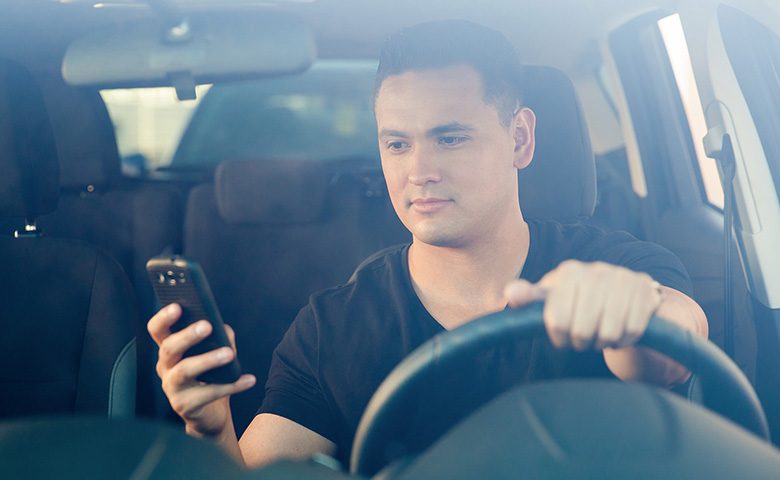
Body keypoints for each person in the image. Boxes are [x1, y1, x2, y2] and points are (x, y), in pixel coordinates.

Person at [147, 20, 708, 469]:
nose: (419, 171)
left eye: (451, 137)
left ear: (520, 138)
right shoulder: (333, 327)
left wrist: (631, 315)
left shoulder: (616, 266)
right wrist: (212, 426)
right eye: (397, 143)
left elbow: (672, 349)